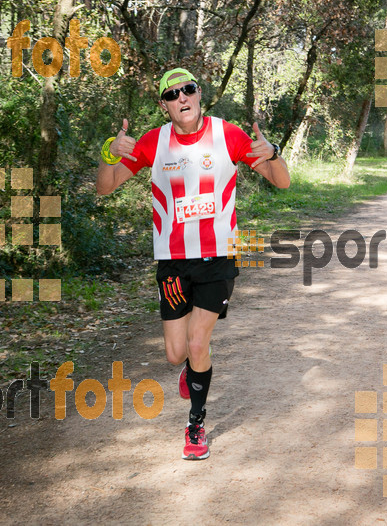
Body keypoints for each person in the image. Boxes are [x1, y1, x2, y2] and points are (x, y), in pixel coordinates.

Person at [96, 68, 290, 460]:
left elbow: (281, 182)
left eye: (188, 90)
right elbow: (105, 186)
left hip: (217, 257)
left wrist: (273, 153)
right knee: (175, 353)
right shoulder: (153, 143)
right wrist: (108, 153)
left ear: (200, 95)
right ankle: (193, 368)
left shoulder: (229, 135)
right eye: (172, 94)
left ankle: (195, 424)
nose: (182, 98)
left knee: (198, 343)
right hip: (172, 261)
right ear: (164, 105)